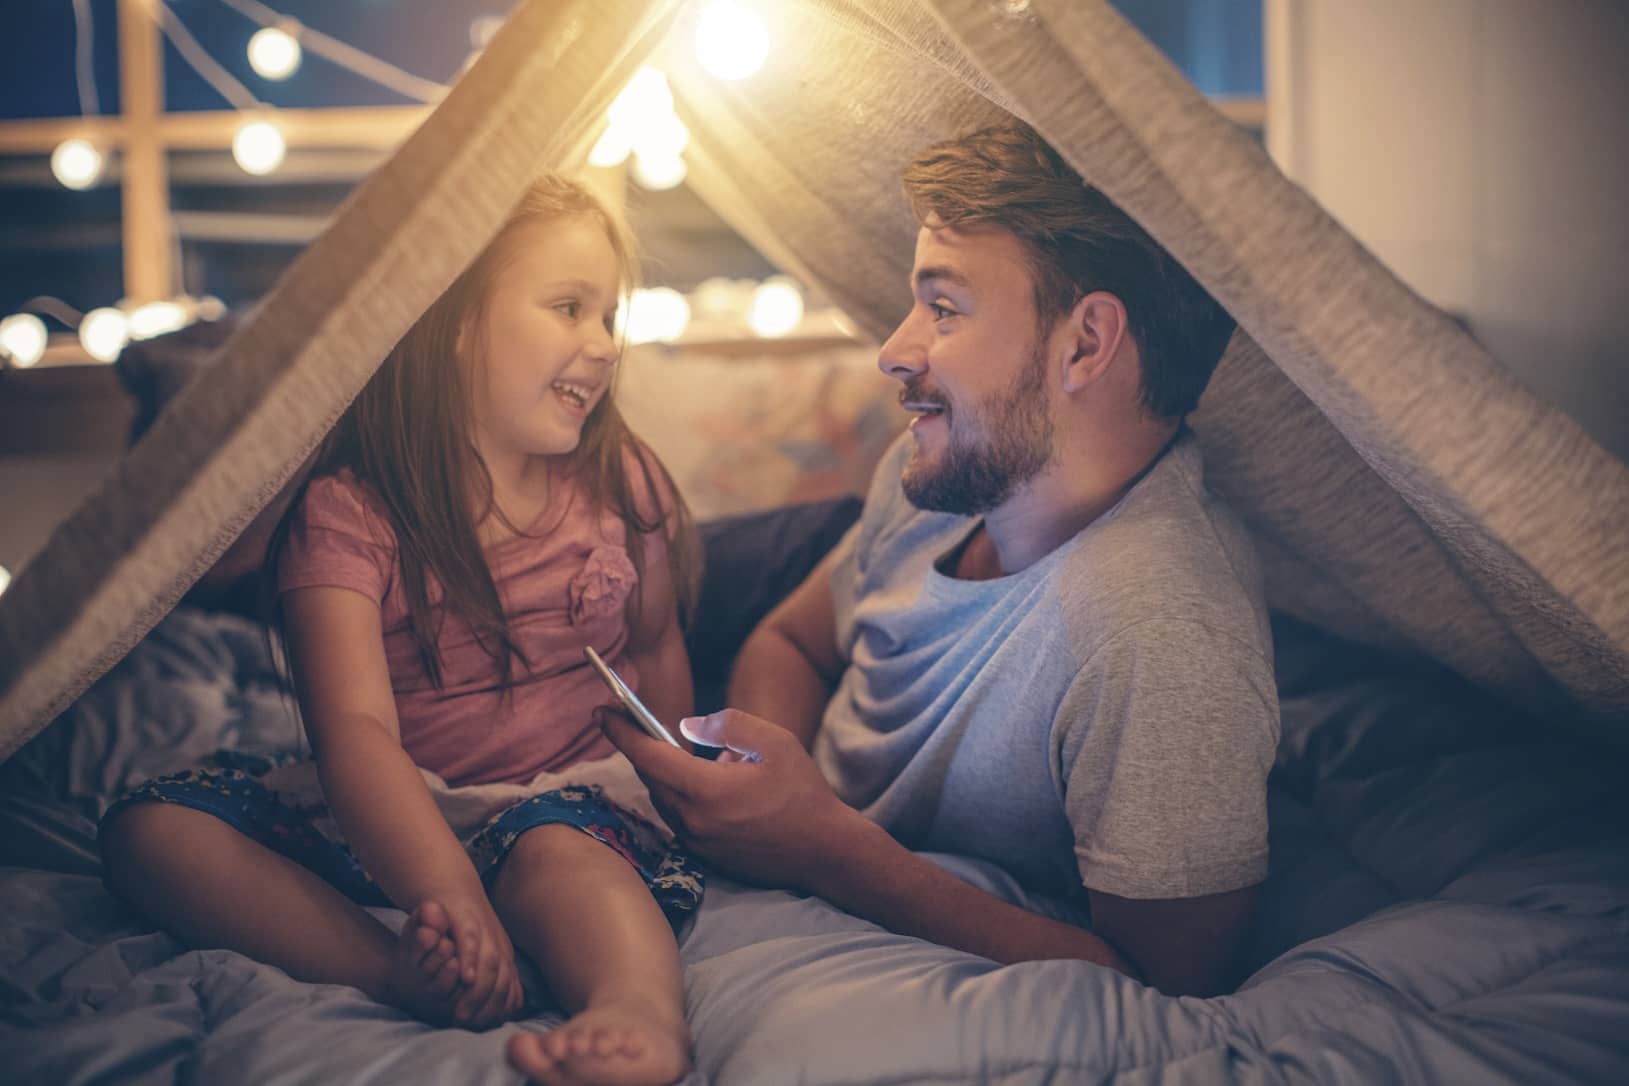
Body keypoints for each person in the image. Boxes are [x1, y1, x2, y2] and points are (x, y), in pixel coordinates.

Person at [585, 122, 1277, 1019]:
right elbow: (794, 640)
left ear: (1085, 344)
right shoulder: (945, 475)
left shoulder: (1159, 632)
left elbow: (1169, 985)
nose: (894, 350)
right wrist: (765, 781)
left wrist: (818, 846)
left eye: (943, 308)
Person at [99, 174, 704, 1086]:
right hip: (392, 813)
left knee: (562, 858)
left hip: (564, 802)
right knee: (148, 833)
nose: (603, 344)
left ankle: (635, 1018)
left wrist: (679, 799)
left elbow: (654, 648)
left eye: (610, 315)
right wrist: (447, 896)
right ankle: (410, 971)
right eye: (570, 307)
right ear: (452, 319)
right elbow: (356, 737)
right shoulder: (348, 516)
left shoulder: (621, 480)